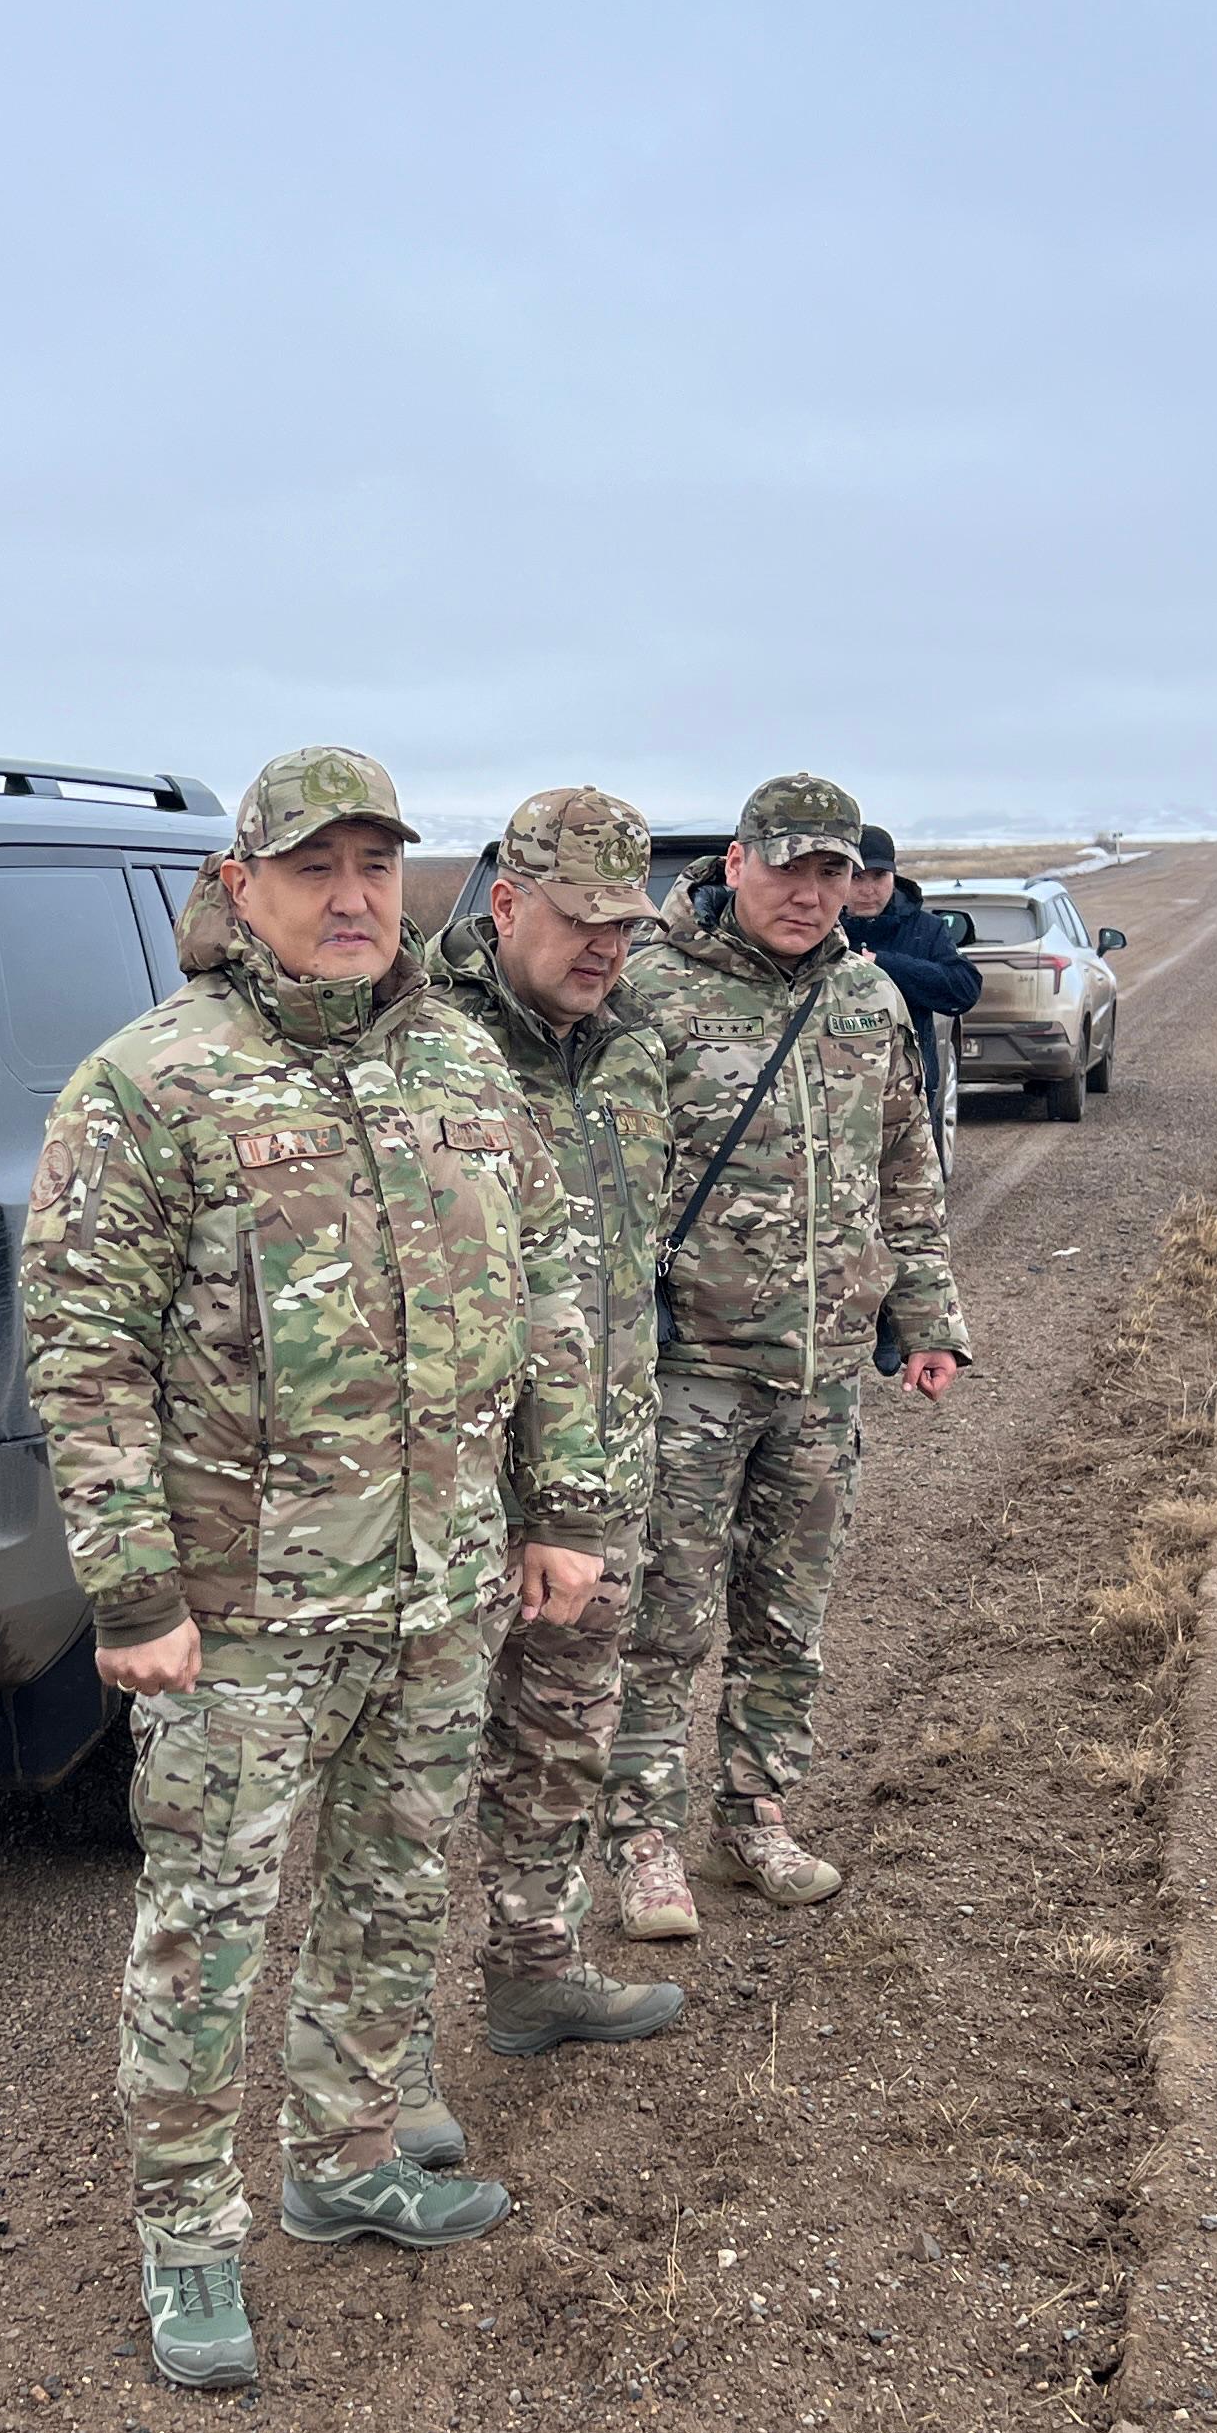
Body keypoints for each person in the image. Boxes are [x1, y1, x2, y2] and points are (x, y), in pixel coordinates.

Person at [20, 745, 624, 2392]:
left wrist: (563, 1510)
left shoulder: (460, 1062)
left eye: (377, 864)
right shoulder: (150, 1085)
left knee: (390, 1885)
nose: (353, 896)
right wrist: (133, 1592)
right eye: (313, 868)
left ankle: (345, 2149)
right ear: (239, 888)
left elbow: (551, 1294)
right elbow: (82, 1364)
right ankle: (189, 2225)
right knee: (206, 1920)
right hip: (245, 1613)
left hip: (439, 1587)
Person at [605, 773, 968, 1938]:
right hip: (689, 1371)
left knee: (787, 1616)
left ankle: (756, 1814)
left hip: (818, 1375)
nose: (812, 894)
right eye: (791, 868)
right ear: (738, 863)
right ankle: (642, 1842)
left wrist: (927, 1320)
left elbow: (906, 1177)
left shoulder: (868, 998)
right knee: (661, 1615)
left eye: (834, 872)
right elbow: (600, 1191)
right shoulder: (646, 991)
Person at [406, 785, 689, 2165]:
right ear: (505, 901)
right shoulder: (424, 1047)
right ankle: (383, 2070)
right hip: (456, 1483)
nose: (605, 948)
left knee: (564, 1734)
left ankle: (532, 1969)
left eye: (626, 926)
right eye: (581, 920)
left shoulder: (631, 1052)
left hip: (602, 1471)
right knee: (404, 1780)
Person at [842, 822, 980, 1131]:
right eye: (856, 876)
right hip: (834, 1094)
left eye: (879, 876)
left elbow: (964, 989)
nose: (868, 889)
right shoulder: (816, 927)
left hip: (908, 1094)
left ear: (893, 875)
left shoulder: (925, 929)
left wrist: (882, 964)